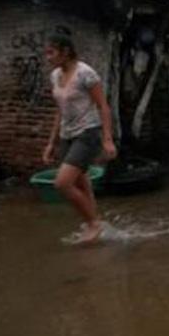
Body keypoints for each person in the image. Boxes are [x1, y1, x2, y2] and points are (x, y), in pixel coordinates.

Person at [42, 27, 117, 243]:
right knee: (81, 182)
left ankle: (93, 223)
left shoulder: (86, 73)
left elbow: (103, 106)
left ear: (65, 52)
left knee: (62, 183)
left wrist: (107, 139)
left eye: (51, 53)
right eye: (46, 53)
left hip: (88, 132)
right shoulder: (55, 76)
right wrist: (51, 143)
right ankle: (94, 223)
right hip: (68, 134)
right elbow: (60, 110)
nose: (48, 58)